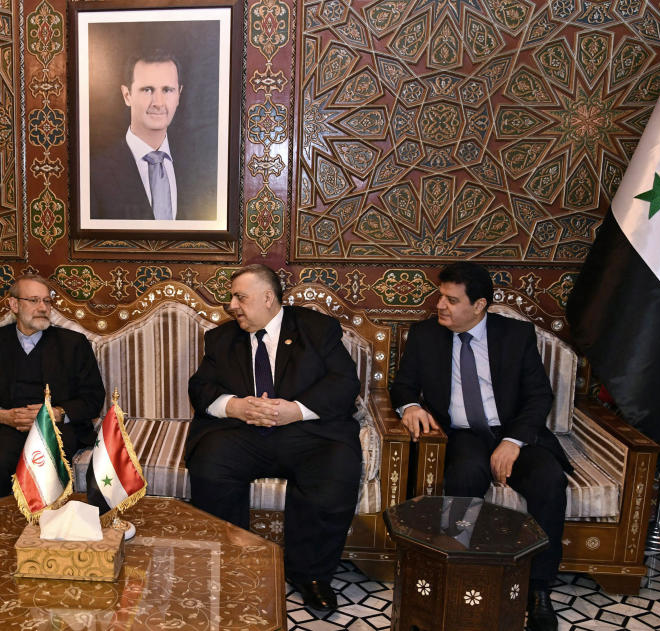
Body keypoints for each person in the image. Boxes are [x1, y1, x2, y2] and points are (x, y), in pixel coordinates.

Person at [391, 261, 571, 631]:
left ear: (479, 305)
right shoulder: (425, 335)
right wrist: (410, 407)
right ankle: (460, 571)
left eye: (451, 300)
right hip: (462, 435)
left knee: (548, 480)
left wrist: (511, 441)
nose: (440, 305)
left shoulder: (516, 335)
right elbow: (402, 386)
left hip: (513, 432)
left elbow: (539, 395)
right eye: (441, 296)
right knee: (464, 472)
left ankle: (538, 588)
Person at [186, 264, 363, 614]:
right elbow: (201, 388)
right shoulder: (221, 339)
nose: (232, 305)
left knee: (335, 467)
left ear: (268, 298)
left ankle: (311, 577)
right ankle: (231, 564)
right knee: (210, 461)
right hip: (245, 433)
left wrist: (296, 410)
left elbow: (344, 384)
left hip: (307, 433)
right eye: (232, 297)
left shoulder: (316, 329)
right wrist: (235, 406)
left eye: (240, 297)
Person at [0, 274, 105, 503]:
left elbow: (94, 397)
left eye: (47, 301)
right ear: (14, 304)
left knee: (47, 466)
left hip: (55, 428)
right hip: (7, 425)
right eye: (34, 300)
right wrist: (1, 415)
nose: (43, 308)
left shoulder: (73, 344)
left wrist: (57, 413)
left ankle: (49, 532)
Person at [89, 49, 215, 221]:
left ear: (179, 94)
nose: (158, 103)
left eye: (167, 90)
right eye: (147, 90)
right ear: (127, 95)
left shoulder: (202, 167)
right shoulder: (94, 174)